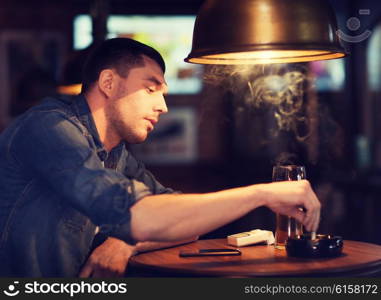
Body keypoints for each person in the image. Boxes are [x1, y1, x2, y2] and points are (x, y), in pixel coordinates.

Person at [0, 38, 321, 277]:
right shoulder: (50, 127)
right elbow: (143, 217)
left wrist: (126, 243)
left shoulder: (116, 154)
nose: (163, 107)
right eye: (151, 89)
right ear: (109, 83)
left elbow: (183, 223)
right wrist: (262, 193)